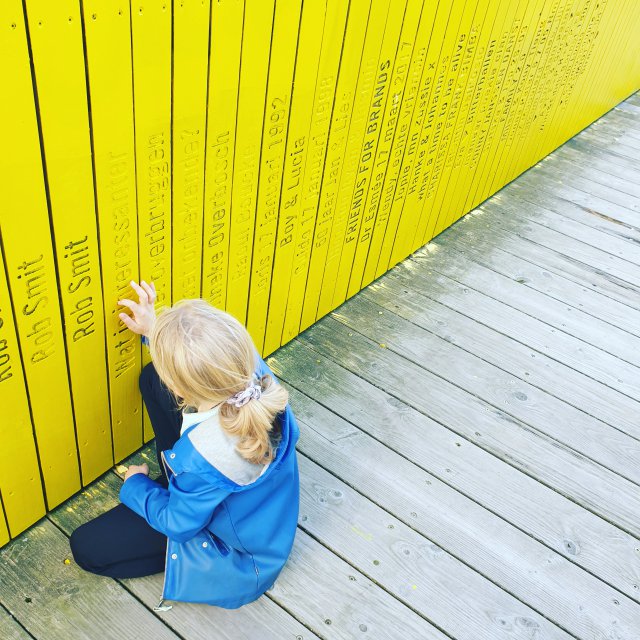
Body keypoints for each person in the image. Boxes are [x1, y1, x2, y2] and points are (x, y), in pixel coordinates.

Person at [70, 281, 300, 610]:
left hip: (239, 552)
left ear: (182, 386)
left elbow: (178, 524)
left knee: (86, 548)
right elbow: (189, 368)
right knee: (151, 379)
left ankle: (170, 494)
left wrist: (136, 484)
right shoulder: (249, 370)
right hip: (251, 504)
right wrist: (154, 330)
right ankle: (175, 483)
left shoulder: (206, 458)